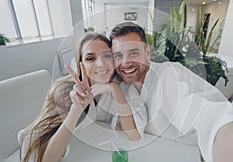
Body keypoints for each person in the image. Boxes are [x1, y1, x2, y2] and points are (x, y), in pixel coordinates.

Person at [109, 22, 233, 162]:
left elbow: (209, 116)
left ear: (147, 53)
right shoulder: (127, 86)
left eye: (133, 53)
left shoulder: (169, 77)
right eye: (118, 55)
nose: (126, 63)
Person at [18, 32, 147, 162]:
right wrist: (77, 108)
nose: (101, 64)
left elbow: (134, 135)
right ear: (81, 64)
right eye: (90, 58)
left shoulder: (120, 85)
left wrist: (115, 89)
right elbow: (46, 159)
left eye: (107, 55)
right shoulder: (64, 90)